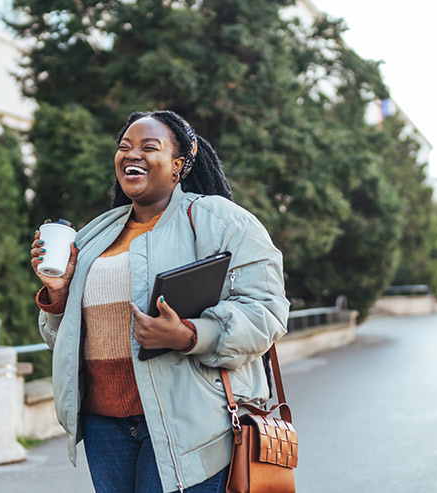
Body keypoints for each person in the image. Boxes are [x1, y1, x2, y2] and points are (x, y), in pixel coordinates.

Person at [30, 110, 290, 493]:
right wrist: (57, 292)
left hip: (188, 421)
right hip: (105, 425)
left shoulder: (222, 221)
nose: (132, 154)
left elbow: (267, 311)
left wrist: (188, 334)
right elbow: (63, 339)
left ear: (178, 165)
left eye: (149, 147)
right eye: (124, 147)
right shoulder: (94, 236)